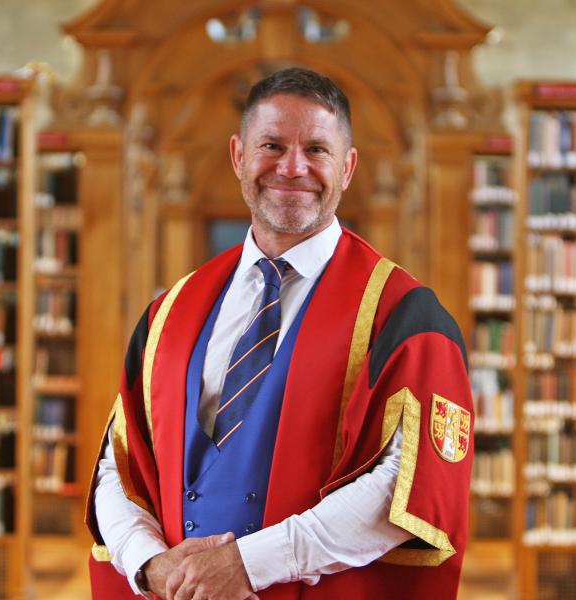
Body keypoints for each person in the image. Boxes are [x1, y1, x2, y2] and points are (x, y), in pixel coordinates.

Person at [86, 67, 474, 600]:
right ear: (238, 156)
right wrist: (150, 564)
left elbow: (404, 488)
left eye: (317, 149)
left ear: (348, 168)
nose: (292, 168)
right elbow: (119, 463)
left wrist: (248, 565)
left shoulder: (403, 317)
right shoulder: (169, 313)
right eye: (271, 145)